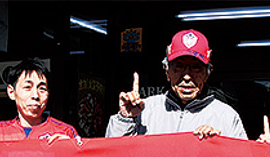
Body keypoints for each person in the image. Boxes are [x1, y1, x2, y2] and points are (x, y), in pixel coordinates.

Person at [105, 29, 246, 140]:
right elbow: (113, 156)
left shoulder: (226, 116)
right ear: (167, 72)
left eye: (195, 67)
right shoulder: (146, 110)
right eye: (178, 67)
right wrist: (125, 119)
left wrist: (219, 146)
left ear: (208, 73)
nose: (186, 76)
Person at [0, 58, 80, 143]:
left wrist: (69, 149)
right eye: (27, 87)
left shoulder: (65, 132)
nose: (35, 95)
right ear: (11, 92)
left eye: (42, 89)